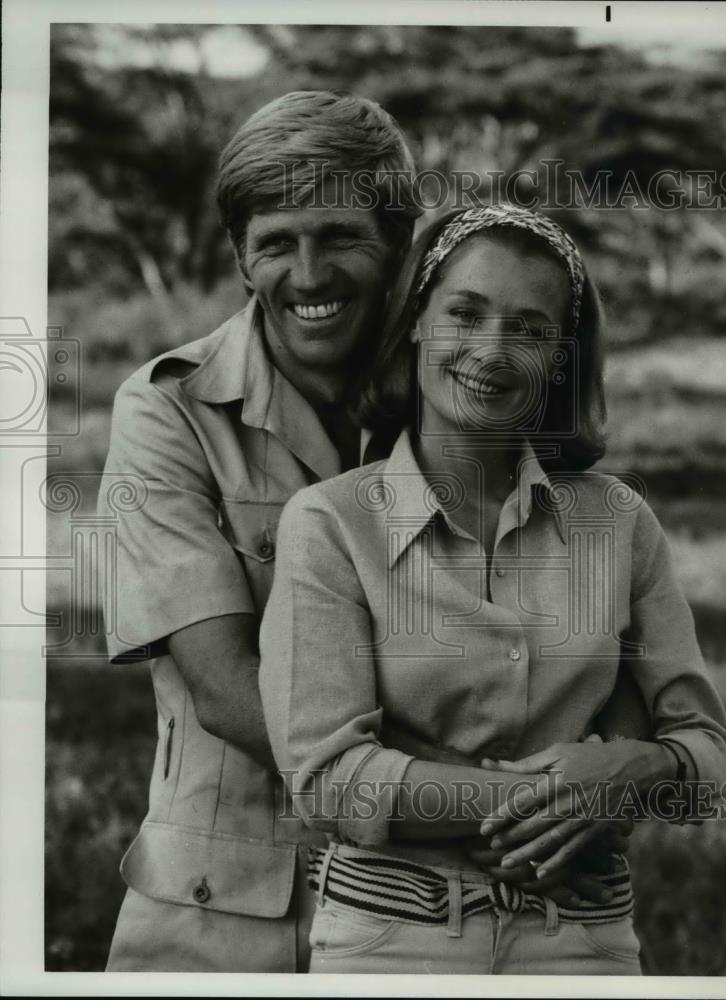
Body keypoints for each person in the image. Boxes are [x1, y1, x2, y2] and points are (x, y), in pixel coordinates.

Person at [258, 204, 726, 975]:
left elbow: (707, 760)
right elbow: (326, 781)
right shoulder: (332, 523)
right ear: (415, 319)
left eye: (529, 328)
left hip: (584, 936)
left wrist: (637, 770)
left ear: (558, 357)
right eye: (465, 313)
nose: (490, 349)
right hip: (390, 942)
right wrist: (569, 798)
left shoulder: (616, 522)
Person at [96, 90, 422, 972]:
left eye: (341, 237)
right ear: (241, 258)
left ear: (397, 243)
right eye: (276, 243)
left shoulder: (458, 400)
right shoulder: (166, 409)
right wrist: (482, 789)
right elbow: (225, 688)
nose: (308, 276)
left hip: (434, 906)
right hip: (219, 915)